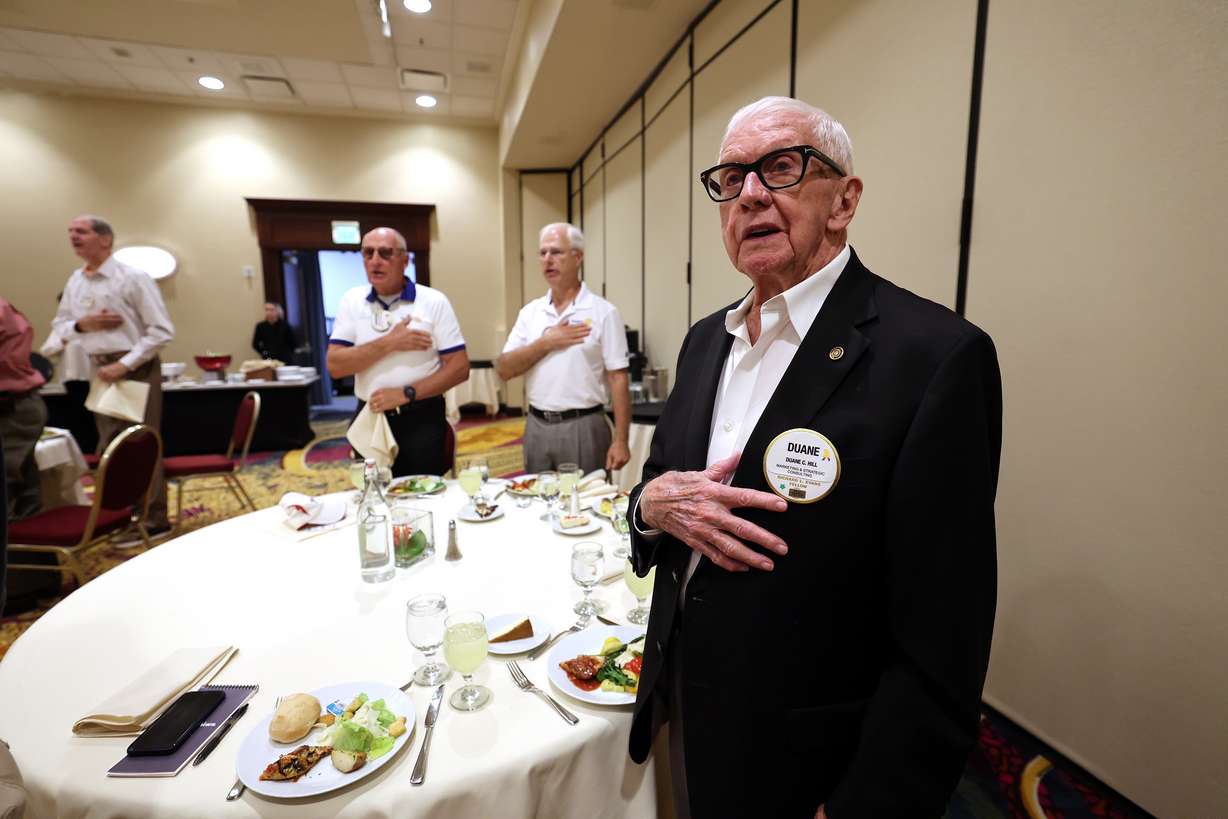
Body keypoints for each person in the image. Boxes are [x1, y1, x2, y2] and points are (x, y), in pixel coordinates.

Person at [626, 97, 1003, 818]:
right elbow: (658, 486)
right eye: (731, 178)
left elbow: (943, 637)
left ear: (844, 200)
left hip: (813, 757)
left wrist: (867, 803)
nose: (751, 195)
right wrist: (649, 507)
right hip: (688, 706)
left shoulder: (934, 357)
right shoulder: (706, 340)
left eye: (781, 166)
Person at [52, 215, 175, 533]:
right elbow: (60, 327)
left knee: (141, 442)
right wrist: (83, 324)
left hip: (134, 366)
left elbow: (161, 331)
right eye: (70, 232)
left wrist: (125, 364)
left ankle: (154, 517)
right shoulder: (75, 280)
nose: (73, 237)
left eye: (81, 231)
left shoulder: (132, 277)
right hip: (99, 368)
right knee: (110, 445)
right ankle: (119, 516)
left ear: (105, 239)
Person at [326, 227, 469, 477]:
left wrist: (406, 394)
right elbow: (336, 366)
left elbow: (459, 368)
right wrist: (390, 342)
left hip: (420, 418)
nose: (375, 261)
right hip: (369, 417)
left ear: (405, 260)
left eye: (385, 253)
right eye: (367, 253)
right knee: (374, 496)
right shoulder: (352, 301)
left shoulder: (433, 301)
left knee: (422, 496)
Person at [495, 223, 632, 475]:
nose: (548, 259)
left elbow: (618, 377)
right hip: (536, 424)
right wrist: (546, 343)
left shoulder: (603, 312)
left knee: (587, 506)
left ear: (577, 257)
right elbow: (504, 368)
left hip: (584, 426)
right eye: (543, 253)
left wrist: (621, 440)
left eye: (556, 252)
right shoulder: (531, 313)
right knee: (536, 502)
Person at [0, 298, 48, 521]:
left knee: (11, 487)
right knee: (23, 484)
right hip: (19, 403)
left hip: (10, 408)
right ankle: (32, 549)